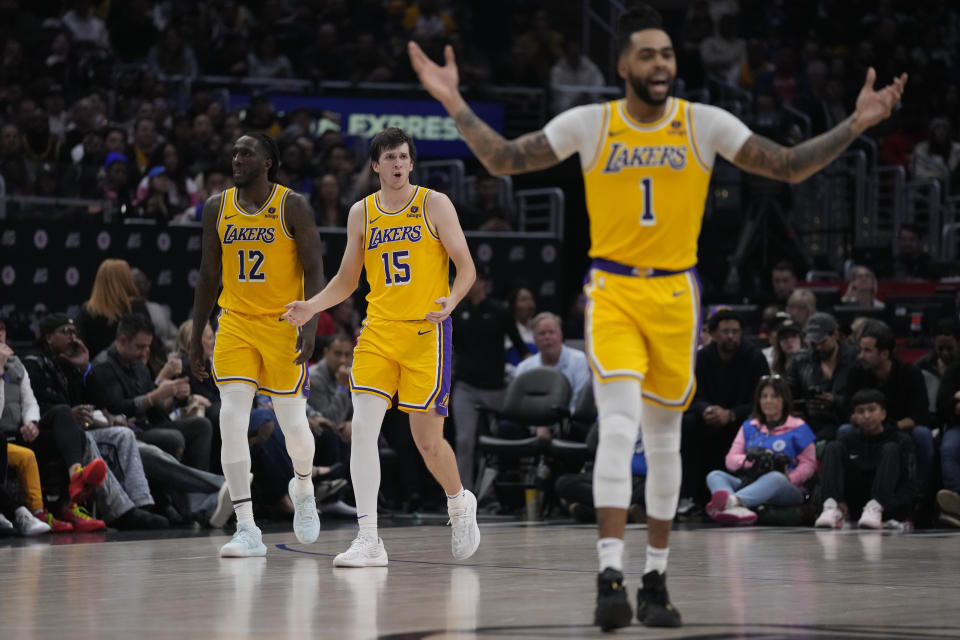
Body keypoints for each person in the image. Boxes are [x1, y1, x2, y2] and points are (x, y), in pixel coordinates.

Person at [409, 2, 906, 629]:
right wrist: (454, 103)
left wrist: (857, 124)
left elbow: (787, 165)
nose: (661, 63)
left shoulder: (704, 123)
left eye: (668, 54)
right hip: (614, 289)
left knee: (666, 440)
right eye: (648, 54)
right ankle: (610, 573)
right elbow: (507, 159)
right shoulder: (593, 122)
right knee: (618, 426)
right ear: (622, 65)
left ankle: (656, 580)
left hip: (676, 295)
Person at [282, 127, 480, 567]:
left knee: (427, 443)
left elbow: (466, 267)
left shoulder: (434, 203)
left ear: (411, 163)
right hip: (377, 334)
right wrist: (311, 306)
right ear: (375, 165)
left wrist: (454, 299)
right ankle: (369, 538)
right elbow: (348, 280)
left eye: (403, 157)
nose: (396, 164)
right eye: (388, 157)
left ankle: (459, 500)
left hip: (428, 334)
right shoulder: (361, 213)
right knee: (363, 435)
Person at [189, 132, 325, 557]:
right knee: (230, 419)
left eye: (246, 152)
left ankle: (302, 486)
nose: (236, 158)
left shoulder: (293, 205)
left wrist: (312, 322)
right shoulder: (217, 207)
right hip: (234, 324)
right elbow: (209, 276)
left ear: (268, 162)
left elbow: (316, 271)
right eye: (234, 152)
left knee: (295, 429)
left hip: (284, 324)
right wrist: (196, 336)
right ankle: (246, 528)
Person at [705, 376, 816, 526]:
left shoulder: (798, 427)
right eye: (764, 396)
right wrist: (749, 460)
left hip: (787, 487)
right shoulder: (749, 426)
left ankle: (732, 502)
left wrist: (790, 477)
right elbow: (730, 460)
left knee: (775, 478)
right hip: (751, 481)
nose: (768, 401)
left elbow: (809, 464)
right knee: (715, 475)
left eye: (774, 396)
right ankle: (736, 508)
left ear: (784, 400)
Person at [815, 389, 916, 529]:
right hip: (855, 505)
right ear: (854, 416)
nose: (866, 415)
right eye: (861, 411)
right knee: (832, 447)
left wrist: (891, 506)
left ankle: (876, 506)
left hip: (887, 506)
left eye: (872, 410)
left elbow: (909, 485)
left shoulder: (901, 440)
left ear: (883, 413)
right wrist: (841, 500)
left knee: (890, 448)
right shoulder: (847, 440)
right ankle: (832, 506)